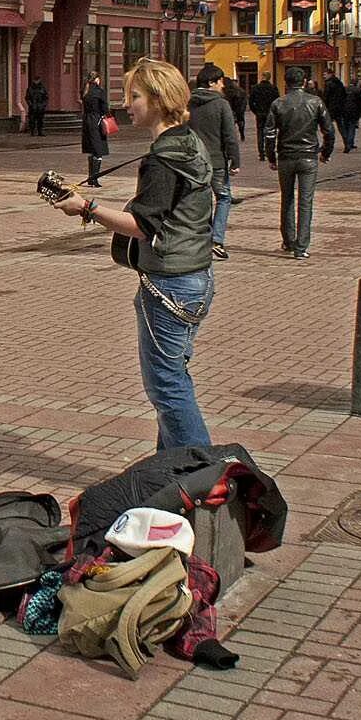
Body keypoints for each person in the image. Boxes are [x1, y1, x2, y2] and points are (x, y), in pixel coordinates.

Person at [51, 59, 214, 452]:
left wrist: (86, 208)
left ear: (158, 100)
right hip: (195, 277)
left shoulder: (163, 159)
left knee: (167, 387)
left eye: (135, 96)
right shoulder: (190, 143)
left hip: (171, 284)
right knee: (174, 377)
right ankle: (171, 470)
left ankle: (205, 472)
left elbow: (143, 225)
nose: (127, 104)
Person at [261, 67, 335, 260]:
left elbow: (269, 133)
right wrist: (325, 153)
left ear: (286, 83)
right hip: (308, 156)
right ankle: (301, 246)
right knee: (305, 201)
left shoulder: (278, 103)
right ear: (304, 83)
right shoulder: (315, 102)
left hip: (286, 156)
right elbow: (329, 131)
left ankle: (288, 240)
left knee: (287, 198)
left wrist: (271, 157)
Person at [188, 64, 240, 262]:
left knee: (199, 200)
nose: (222, 85)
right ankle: (216, 239)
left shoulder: (188, 103)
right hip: (216, 161)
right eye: (219, 81)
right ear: (211, 82)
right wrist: (235, 160)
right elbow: (229, 135)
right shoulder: (221, 104)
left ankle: (200, 241)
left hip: (193, 160)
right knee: (224, 198)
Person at [81, 73, 110, 187]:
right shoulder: (99, 92)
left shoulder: (85, 91)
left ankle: (90, 177)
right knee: (98, 151)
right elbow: (105, 108)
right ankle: (95, 179)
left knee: (92, 150)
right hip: (97, 122)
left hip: (87, 122)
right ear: (97, 79)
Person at [248, 76, 279, 159]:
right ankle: (270, 151)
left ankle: (261, 153)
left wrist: (255, 111)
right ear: (269, 78)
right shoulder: (273, 88)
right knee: (271, 132)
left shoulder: (255, 88)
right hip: (270, 113)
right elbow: (277, 101)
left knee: (260, 132)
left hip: (260, 113)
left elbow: (251, 101)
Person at [224, 78, 247, 143]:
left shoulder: (229, 92)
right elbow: (244, 102)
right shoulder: (241, 91)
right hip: (239, 111)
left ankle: (235, 136)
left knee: (232, 124)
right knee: (240, 124)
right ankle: (242, 134)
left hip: (234, 111)